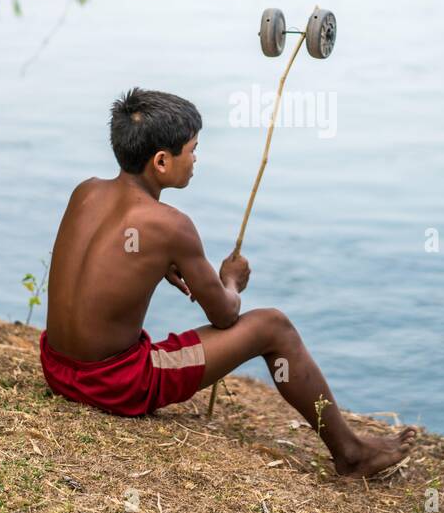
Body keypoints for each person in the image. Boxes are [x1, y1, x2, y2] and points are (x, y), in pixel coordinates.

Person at [41, 87, 417, 478]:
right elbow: (224, 314)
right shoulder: (171, 225)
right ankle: (351, 454)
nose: (196, 158)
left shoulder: (85, 191)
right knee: (273, 326)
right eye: (192, 149)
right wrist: (231, 281)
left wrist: (157, 262)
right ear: (162, 161)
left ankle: (352, 451)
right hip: (111, 384)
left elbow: (107, 259)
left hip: (57, 367)